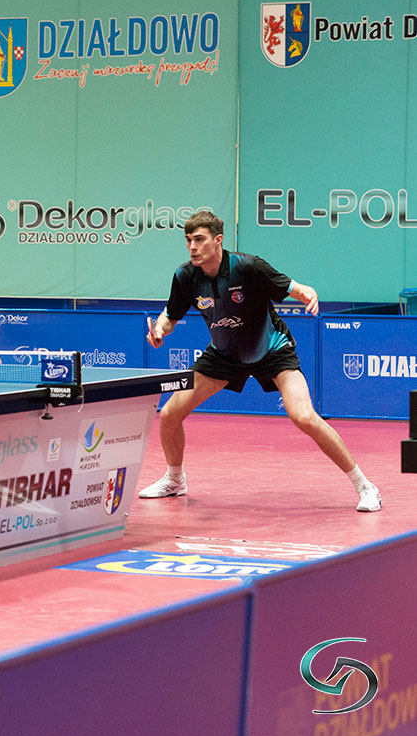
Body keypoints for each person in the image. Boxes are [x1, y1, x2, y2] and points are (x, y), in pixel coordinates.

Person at [142, 210, 381, 513]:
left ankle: (365, 486)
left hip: (272, 351)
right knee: (169, 414)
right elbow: (170, 315)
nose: (192, 247)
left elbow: (296, 288)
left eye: (199, 239)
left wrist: (308, 294)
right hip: (224, 355)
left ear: (218, 240)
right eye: (188, 240)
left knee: (304, 416)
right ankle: (175, 480)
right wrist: (160, 330)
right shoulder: (185, 276)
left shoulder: (248, 267)